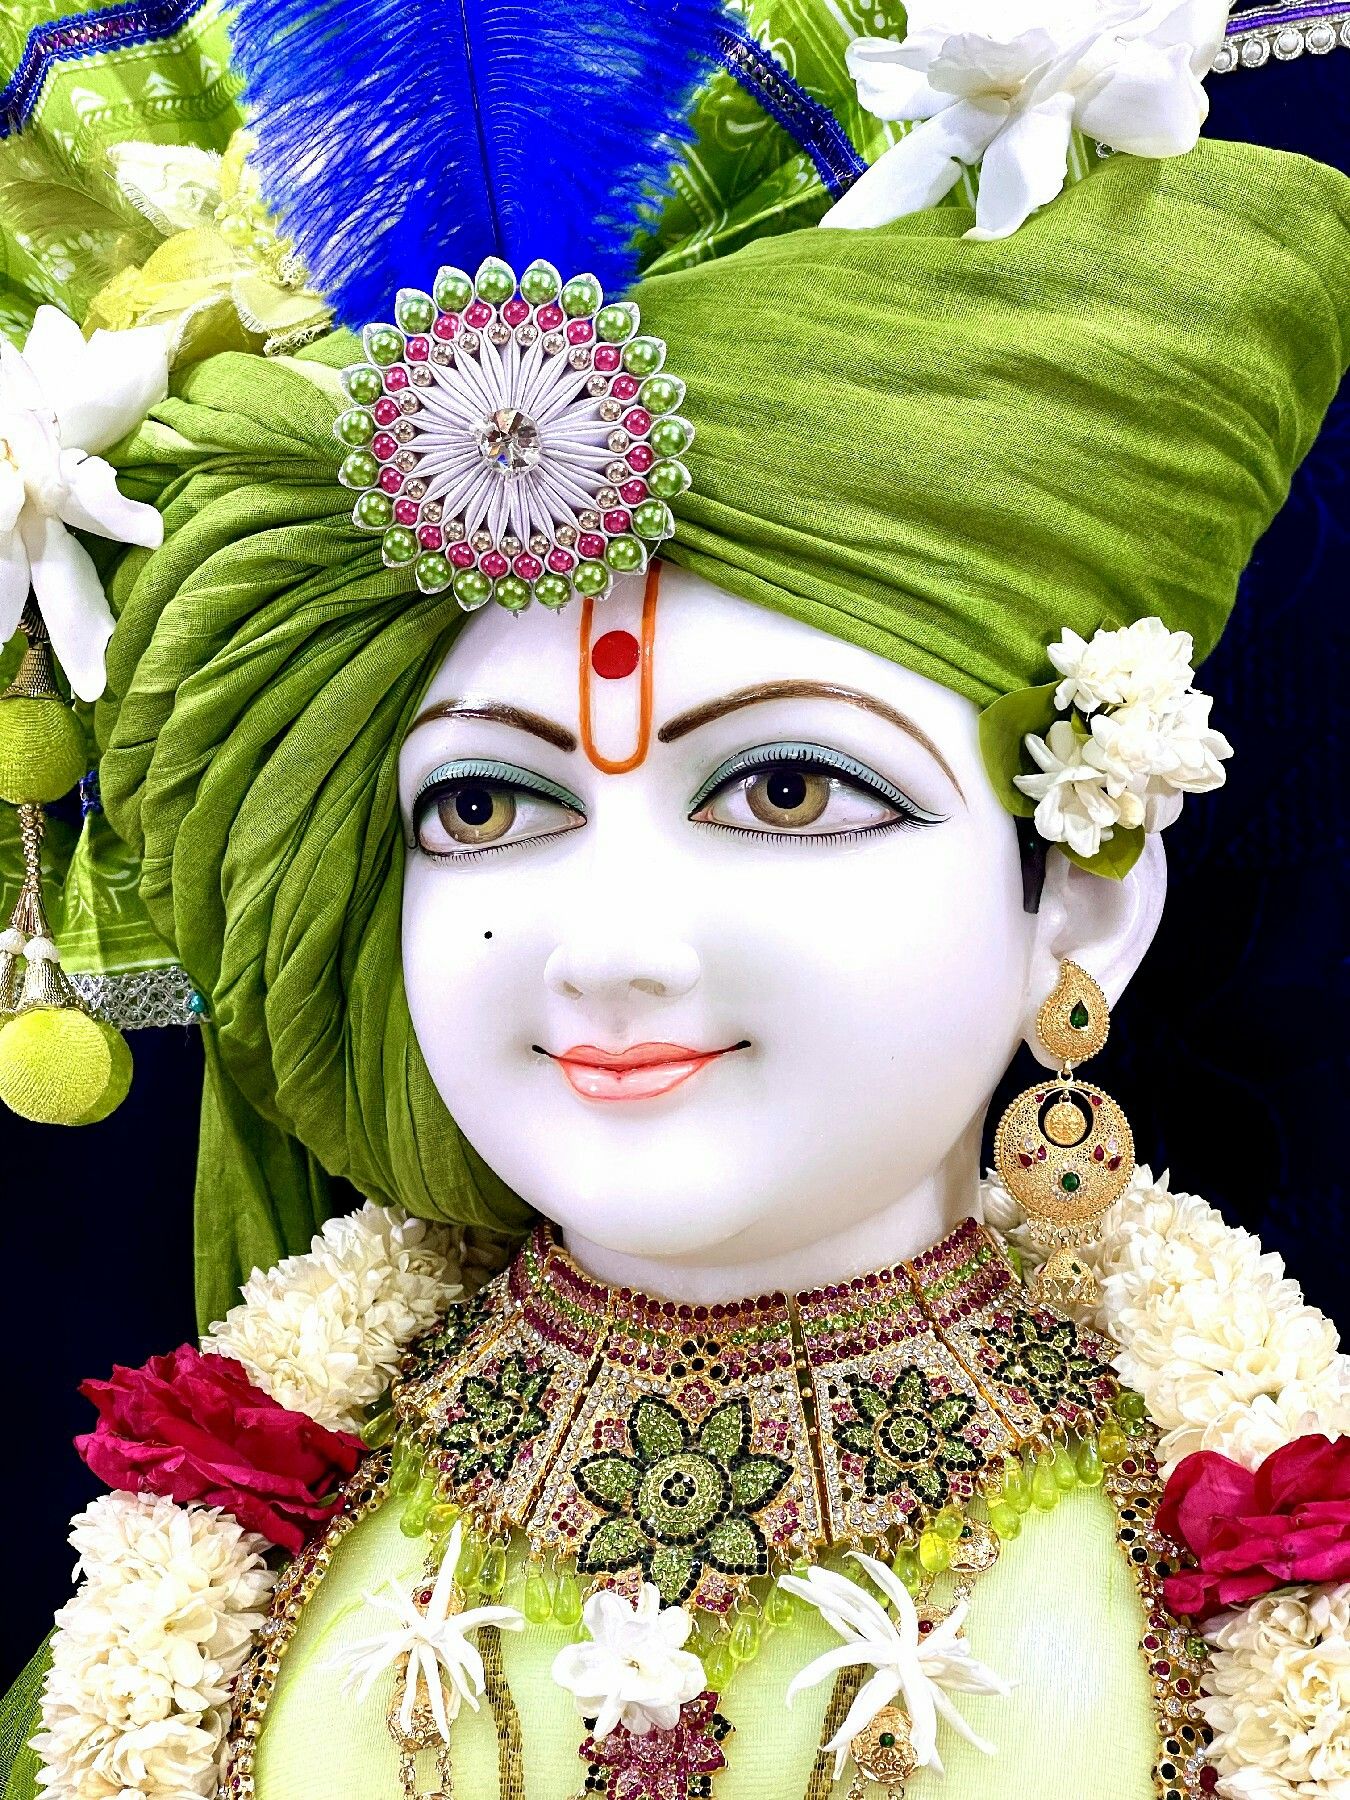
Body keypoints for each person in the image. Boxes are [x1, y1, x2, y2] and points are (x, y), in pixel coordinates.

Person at [0, 1, 1346, 1797]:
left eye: (787, 789)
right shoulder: (227, 1549)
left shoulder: (1254, 1536)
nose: (612, 947)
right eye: (484, 802)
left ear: (1080, 901)